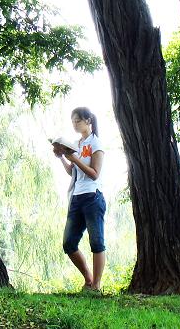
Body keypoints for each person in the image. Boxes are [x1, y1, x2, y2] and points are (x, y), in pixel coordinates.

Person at [53, 106, 106, 292]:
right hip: (76, 197)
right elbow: (72, 173)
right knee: (69, 243)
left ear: (88, 121)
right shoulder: (77, 144)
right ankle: (88, 279)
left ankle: (96, 286)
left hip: (93, 197)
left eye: (78, 121)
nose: (75, 124)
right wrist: (62, 157)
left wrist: (75, 159)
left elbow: (94, 174)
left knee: (97, 242)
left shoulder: (96, 144)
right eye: (73, 121)